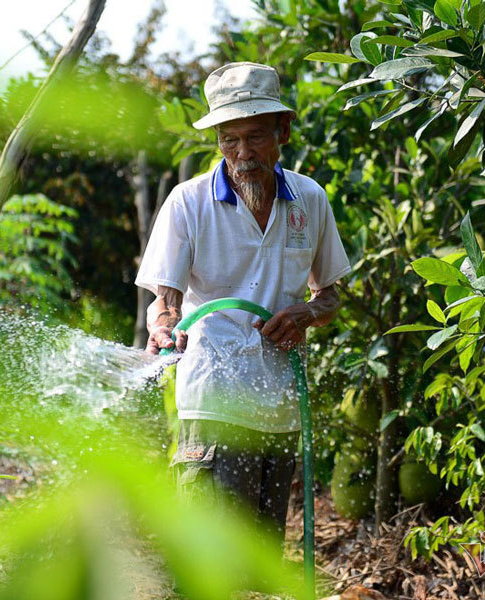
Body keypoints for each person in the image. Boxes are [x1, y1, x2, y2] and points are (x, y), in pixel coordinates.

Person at [135, 62, 351, 542]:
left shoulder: (310, 200)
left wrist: (307, 313)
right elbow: (165, 300)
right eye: (229, 140)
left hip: (281, 406)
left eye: (254, 137)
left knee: (262, 558)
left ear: (282, 131)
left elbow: (331, 295)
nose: (242, 154)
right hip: (214, 401)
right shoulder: (188, 202)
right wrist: (164, 326)